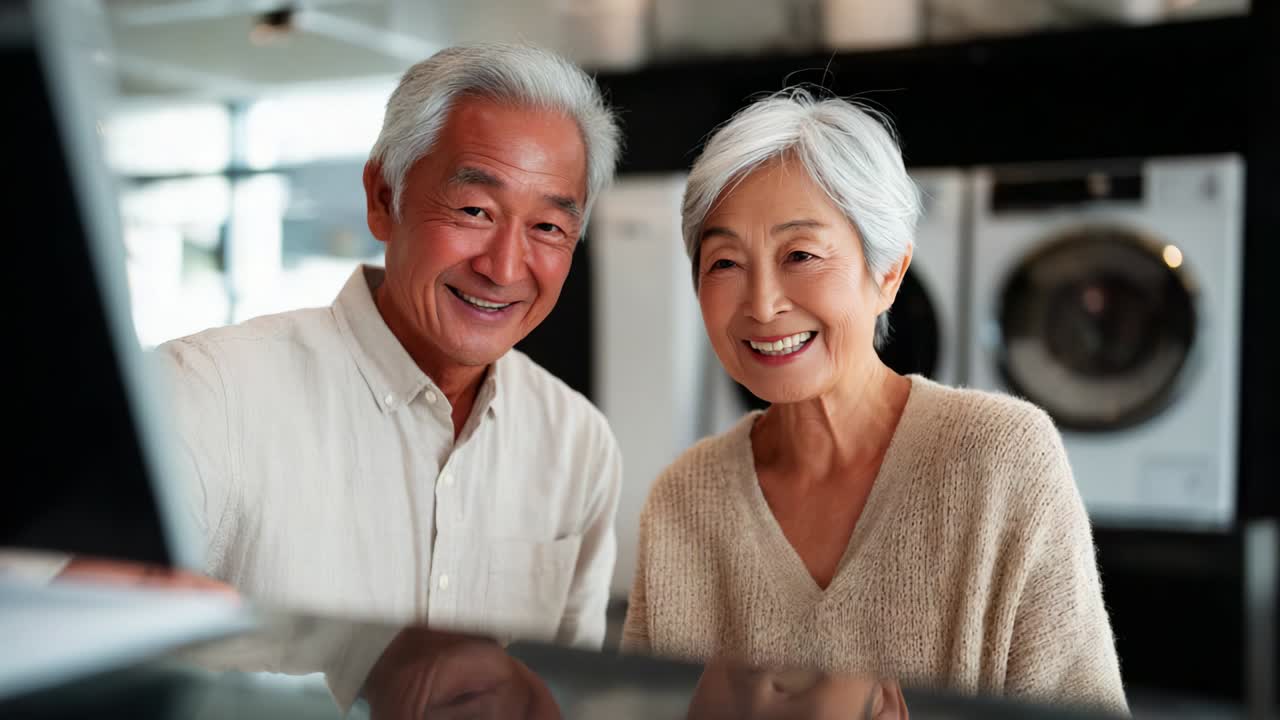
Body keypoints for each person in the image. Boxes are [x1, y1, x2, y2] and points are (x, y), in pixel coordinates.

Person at [54, 43, 623, 648]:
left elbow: (569, 685)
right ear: (383, 198)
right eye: (474, 210)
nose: (504, 268)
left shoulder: (576, 442)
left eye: (548, 227)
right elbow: (65, 640)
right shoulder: (203, 395)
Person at [621, 88, 1128, 715]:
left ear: (888, 273)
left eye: (800, 255)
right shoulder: (683, 500)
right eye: (725, 262)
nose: (762, 304)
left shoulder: (1002, 459)